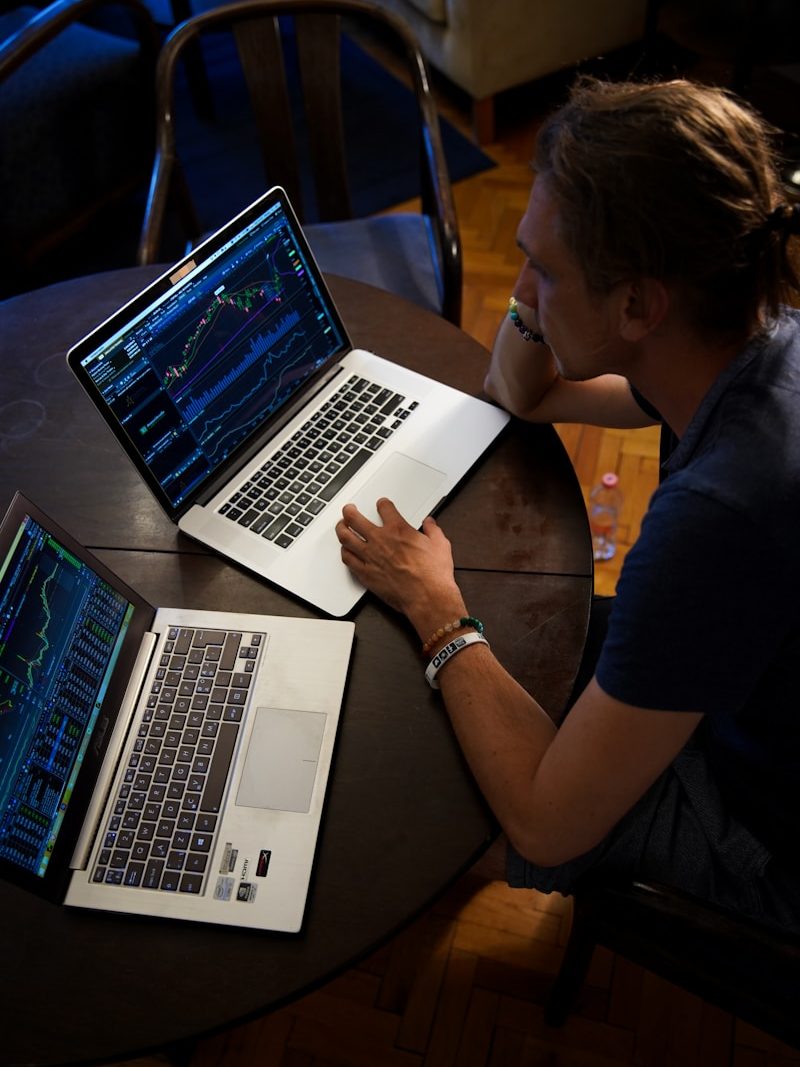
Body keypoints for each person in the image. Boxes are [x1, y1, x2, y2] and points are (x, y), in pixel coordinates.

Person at [334, 77, 800, 929]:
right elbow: (522, 392)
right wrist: (542, 275)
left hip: (766, 841)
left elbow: (548, 825)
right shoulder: (751, 341)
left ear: (636, 305)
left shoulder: (718, 516)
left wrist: (438, 609)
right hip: (752, 694)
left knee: (442, 786)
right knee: (505, 645)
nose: (522, 286)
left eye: (543, 270)